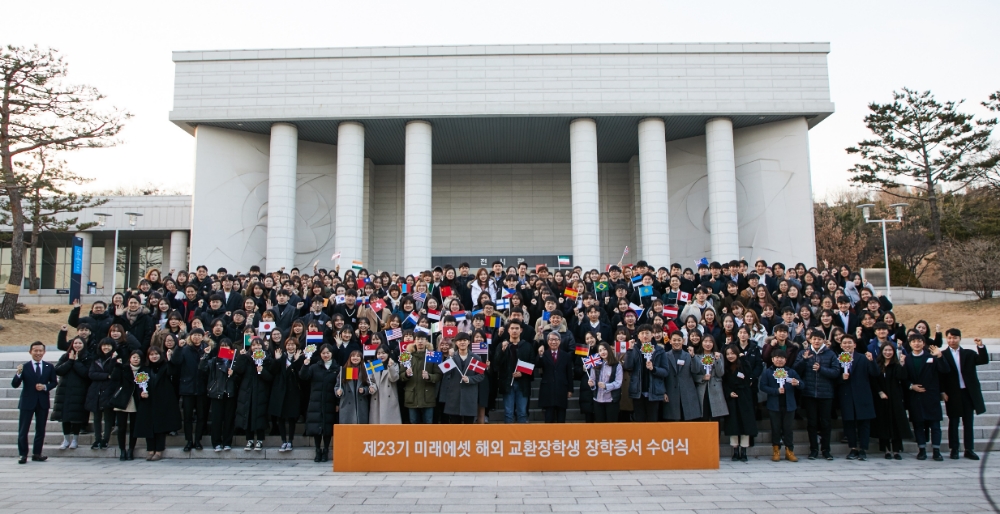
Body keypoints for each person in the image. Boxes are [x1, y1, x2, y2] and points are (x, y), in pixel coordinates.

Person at [940, 329, 989, 460]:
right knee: (953, 421)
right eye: (949, 338)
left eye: (955, 338)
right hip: (952, 393)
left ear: (959, 339)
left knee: (968, 422)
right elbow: (940, 375)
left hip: (968, 393)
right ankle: (954, 449)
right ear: (947, 339)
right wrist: (942, 391)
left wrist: (980, 346)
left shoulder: (968, 353)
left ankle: (969, 449)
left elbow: (983, 360)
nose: (952, 340)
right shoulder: (942, 355)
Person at [793, 330, 840, 460]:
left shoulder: (830, 354)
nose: (817, 341)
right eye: (814, 339)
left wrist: (821, 369)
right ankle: (813, 449)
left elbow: (836, 372)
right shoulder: (804, 353)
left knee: (826, 422)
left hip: (826, 394)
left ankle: (826, 449)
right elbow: (795, 370)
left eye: (819, 339)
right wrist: (803, 360)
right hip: (809, 393)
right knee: (812, 423)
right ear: (810, 340)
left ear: (824, 341)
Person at [903, 334, 949, 461]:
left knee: (935, 425)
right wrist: (911, 386)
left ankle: (936, 450)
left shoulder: (932, 358)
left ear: (924, 343)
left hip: (930, 396)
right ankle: (921, 449)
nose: (916, 344)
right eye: (913, 341)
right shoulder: (906, 359)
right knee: (918, 425)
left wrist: (940, 356)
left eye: (919, 341)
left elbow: (944, 371)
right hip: (915, 396)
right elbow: (903, 378)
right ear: (910, 344)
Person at [12, 341, 58, 464]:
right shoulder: (24, 367)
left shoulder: (49, 367)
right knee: (23, 429)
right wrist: (18, 373)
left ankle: (37, 453)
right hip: (27, 401)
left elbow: (54, 382)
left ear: (44, 352)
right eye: (35, 350)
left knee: (40, 429)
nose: (38, 353)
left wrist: (45, 387)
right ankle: (23, 454)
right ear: (30, 352)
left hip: (42, 401)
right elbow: (15, 384)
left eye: (40, 351)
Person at [135, 346, 182, 461]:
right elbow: (139, 385)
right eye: (151, 354)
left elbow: (173, 373)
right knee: (148, 426)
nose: (154, 356)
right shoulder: (144, 369)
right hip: (148, 402)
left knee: (161, 426)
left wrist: (170, 359)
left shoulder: (166, 366)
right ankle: (150, 449)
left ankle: (159, 450)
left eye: (156, 354)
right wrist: (141, 393)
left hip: (163, 401)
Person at [835, 335, 876, 461]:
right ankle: (853, 448)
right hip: (847, 396)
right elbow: (833, 377)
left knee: (864, 424)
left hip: (862, 395)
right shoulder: (838, 359)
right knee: (849, 423)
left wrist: (872, 361)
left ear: (855, 345)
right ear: (841, 345)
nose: (847, 345)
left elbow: (875, 374)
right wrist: (841, 378)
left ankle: (863, 449)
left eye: (849, 343)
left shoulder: (863, 358)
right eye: (844, 343)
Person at [169, 329, 209, 452]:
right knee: (187, 417)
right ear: (190, 337)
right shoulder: (185, 349)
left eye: (199, 335)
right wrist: (178, 348)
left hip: (202, 388)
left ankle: (198, 440)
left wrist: (207, 355)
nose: (196, 337)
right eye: (194, 335)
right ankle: (189, 441)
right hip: (187, 388)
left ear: (202, 337)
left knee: (201, 416)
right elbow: (175, 362)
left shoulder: (207, 349)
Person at [299, 344, 341, 462]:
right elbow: (303, 376)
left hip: (330, 401)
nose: (326, 355)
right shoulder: (314, 367)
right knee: (316, 428)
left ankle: (326, 450)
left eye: (328, 353)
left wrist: (337, 403)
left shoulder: (337, 368)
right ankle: (318, 450)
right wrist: (305, 365)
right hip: (316, 401)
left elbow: (339, 386)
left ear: (332, 354)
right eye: (323, 353)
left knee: (327, 428)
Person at [760, 349, 802, 462]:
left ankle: (789, 451)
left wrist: (797, 383)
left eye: (782, 358)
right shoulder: (768, 372)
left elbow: (802, 384)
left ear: (785, 360)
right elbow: (763, 386)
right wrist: (776, 391)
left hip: (789, 405)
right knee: (775, 429)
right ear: (772, 359)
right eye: (776, 358)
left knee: (788, 429)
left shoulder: (791, 372)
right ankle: (776, 451)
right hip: (774, 405)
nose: (779, 360)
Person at [233, 338, 274, 450]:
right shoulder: (246, 358)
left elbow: (270, 377)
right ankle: (249, 440)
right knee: (248, 414)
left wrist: (262, 371)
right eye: (254, 345)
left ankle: (260, 440)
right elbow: (238, 371)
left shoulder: (267, 359)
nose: (256, 347)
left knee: (260, 415)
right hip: (247, 392)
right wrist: (241, 357)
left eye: (259, 345)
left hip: (261, 392)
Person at [51, 337, 92, 450]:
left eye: (80, 343)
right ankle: (66, 439)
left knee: (76, 417)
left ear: (84, 344)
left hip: (79, 391)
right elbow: (58, 370)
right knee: (65, 417)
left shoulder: (88, 357)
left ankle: (75, 439)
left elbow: (86, 373)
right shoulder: (65, 356)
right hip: (65, 391)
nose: (77, 345)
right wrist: (70, 361)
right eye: (75, 343)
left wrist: (77, 361)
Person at [872, 343, 911, 460]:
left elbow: (902, 377)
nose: (887, 352)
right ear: (881, 351)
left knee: (896, 423)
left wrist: (902, 364)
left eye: (890, 350)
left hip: (895, 398)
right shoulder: (877, 364)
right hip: (881, 398)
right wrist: (879, 392)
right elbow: (873, 380)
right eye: (885, 350)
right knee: (883, 424)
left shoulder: (896, 364)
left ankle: (897, 450)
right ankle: (886, 450)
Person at [494, 322, 537, 423]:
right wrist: (502, 351)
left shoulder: (527, 346)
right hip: (507, 383)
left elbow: (532, 363)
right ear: (508, 330)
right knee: (508, 413)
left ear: (521, 330)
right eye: (512, 328)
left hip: (523, 384)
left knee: (522, 412)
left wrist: (522, 373)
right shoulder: (502, 345)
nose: (514, 330)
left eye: (516, 328)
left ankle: (521, 437)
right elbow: (496, 364)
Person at [200, 339, 237, 451]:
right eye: (222, 346)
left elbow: (240, 377)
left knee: (229, 419)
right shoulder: (214, 360)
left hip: (230, 392)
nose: (225, 348)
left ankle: (227, 442)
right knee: (216, 419)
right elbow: (203, 368)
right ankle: (216, 442)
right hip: (217, 393)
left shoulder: (234, 361)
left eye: (227, 346)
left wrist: (233, 373)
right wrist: (205, 355)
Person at [722, 344, 756, 462]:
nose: (730, 356)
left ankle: (744, 451)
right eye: (728, 354)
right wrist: (729, 392)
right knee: (733, 424)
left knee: (745, 423)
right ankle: (735, 451)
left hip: (744, 397)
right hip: (732, 399)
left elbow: (749, 378)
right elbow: (724, 383)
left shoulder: (744, 364)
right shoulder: (725, 367)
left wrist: (743, 359)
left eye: (733, 353)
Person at [442, 334, 486, 424]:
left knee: (469, 426)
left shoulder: (476, 358)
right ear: (456, 343)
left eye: (465, 340)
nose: (462, 342)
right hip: (454, 396)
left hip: (469, 397)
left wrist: (470, 379)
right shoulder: (451, 357)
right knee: (455, 426)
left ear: (469, 342)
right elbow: (445, 372)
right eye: (460, 340)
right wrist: (449, 358)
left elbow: (481, 376)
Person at [269, 338, 303, 451]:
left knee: (292, 418)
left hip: (293, 391)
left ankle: (290, 441)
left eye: (293, 345)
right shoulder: (281, 356)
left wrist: (296, 362)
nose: (291, 347)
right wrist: (277, 360)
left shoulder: (300, 357)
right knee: (281, 418)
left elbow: (301, 375)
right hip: (280, 391)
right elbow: (273, 371)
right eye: (288, 345)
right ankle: (283, 440)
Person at [660, 330, 701, 422]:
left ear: (683, 340)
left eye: (679, 340)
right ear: (670, 341)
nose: (676, 342)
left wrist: (693, 357)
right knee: (673, 424)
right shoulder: (665, 355)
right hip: (671, 393)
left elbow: (696, 370)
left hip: (687, 393)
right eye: (674, 340)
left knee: (688, 423)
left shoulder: (688, 355)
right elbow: (661, 376)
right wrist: (663, 392)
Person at [401, 333, 441, 424]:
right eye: (418, 339)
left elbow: (439, 375)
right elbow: (400, 375)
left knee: (428, 423)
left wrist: (429, 376)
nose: (420, 341)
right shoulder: (406, 355)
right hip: (412, 397)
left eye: (423, 339)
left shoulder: (433, 355)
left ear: (426, 341)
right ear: (414, 341)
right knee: (413, 423)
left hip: (428, 397)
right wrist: (406, 374)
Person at [86, 338, 118, 450]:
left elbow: (113, 374)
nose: (106, 347)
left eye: (108, 345)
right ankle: (97, 439)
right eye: (104, 345)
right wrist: (105, 376)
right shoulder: (96, 359)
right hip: (96, 391)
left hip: (109, 391)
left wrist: (113, 360)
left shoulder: (115, 359)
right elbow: (91, 374)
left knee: (108, 418)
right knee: (96, 418)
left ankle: (105, 440)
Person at [536, 331, 575, 423]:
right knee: (549, 417)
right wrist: (540, 355)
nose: (553, 342)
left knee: (561, 417)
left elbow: (569, 373)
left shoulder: (566, 355)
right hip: (548, 389)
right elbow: (537, 365)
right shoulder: (544, 354)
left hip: (561, 388)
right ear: (548, 341)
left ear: (560, 341)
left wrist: (570, 389)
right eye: (551, 339)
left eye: (556, 340)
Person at [337, 350, 372, 424]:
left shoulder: (365, 370)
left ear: (361, 358)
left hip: (361, 404)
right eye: (353, 356)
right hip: (347, 403)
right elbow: (338, 386)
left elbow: (370, 386)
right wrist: (339, 391)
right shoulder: (345, 370)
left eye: (358, 356)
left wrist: (364, 390)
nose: (355, 358)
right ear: (350, 358)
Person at [369, 345, 402, 424]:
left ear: (388, 354)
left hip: (390, 398)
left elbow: (394, 379)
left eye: (383, 353)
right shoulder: (374, 364)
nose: (381, 355)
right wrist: (372, 387)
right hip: (376, 397)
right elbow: (370, 380)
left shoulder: (394, 364)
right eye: (379, 353)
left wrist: (391, 367)